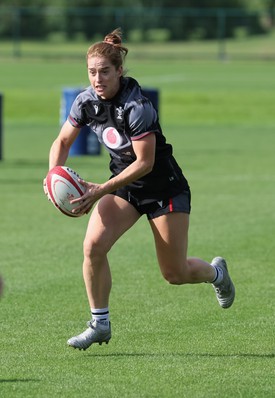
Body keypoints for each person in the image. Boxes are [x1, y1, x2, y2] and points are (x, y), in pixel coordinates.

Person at [44, 28, 235, 351]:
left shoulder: (137, 106)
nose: (97, 79)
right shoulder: (85, 102)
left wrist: (100, 189)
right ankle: (99, 323)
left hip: (164, 190)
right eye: (92, 72)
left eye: (104, 71)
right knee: (93, 247)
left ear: (119, 70)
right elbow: (63, 141)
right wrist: (53, 176)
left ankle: (216, 274)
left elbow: (145, 163)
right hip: (125, 190)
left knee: (174, 273)